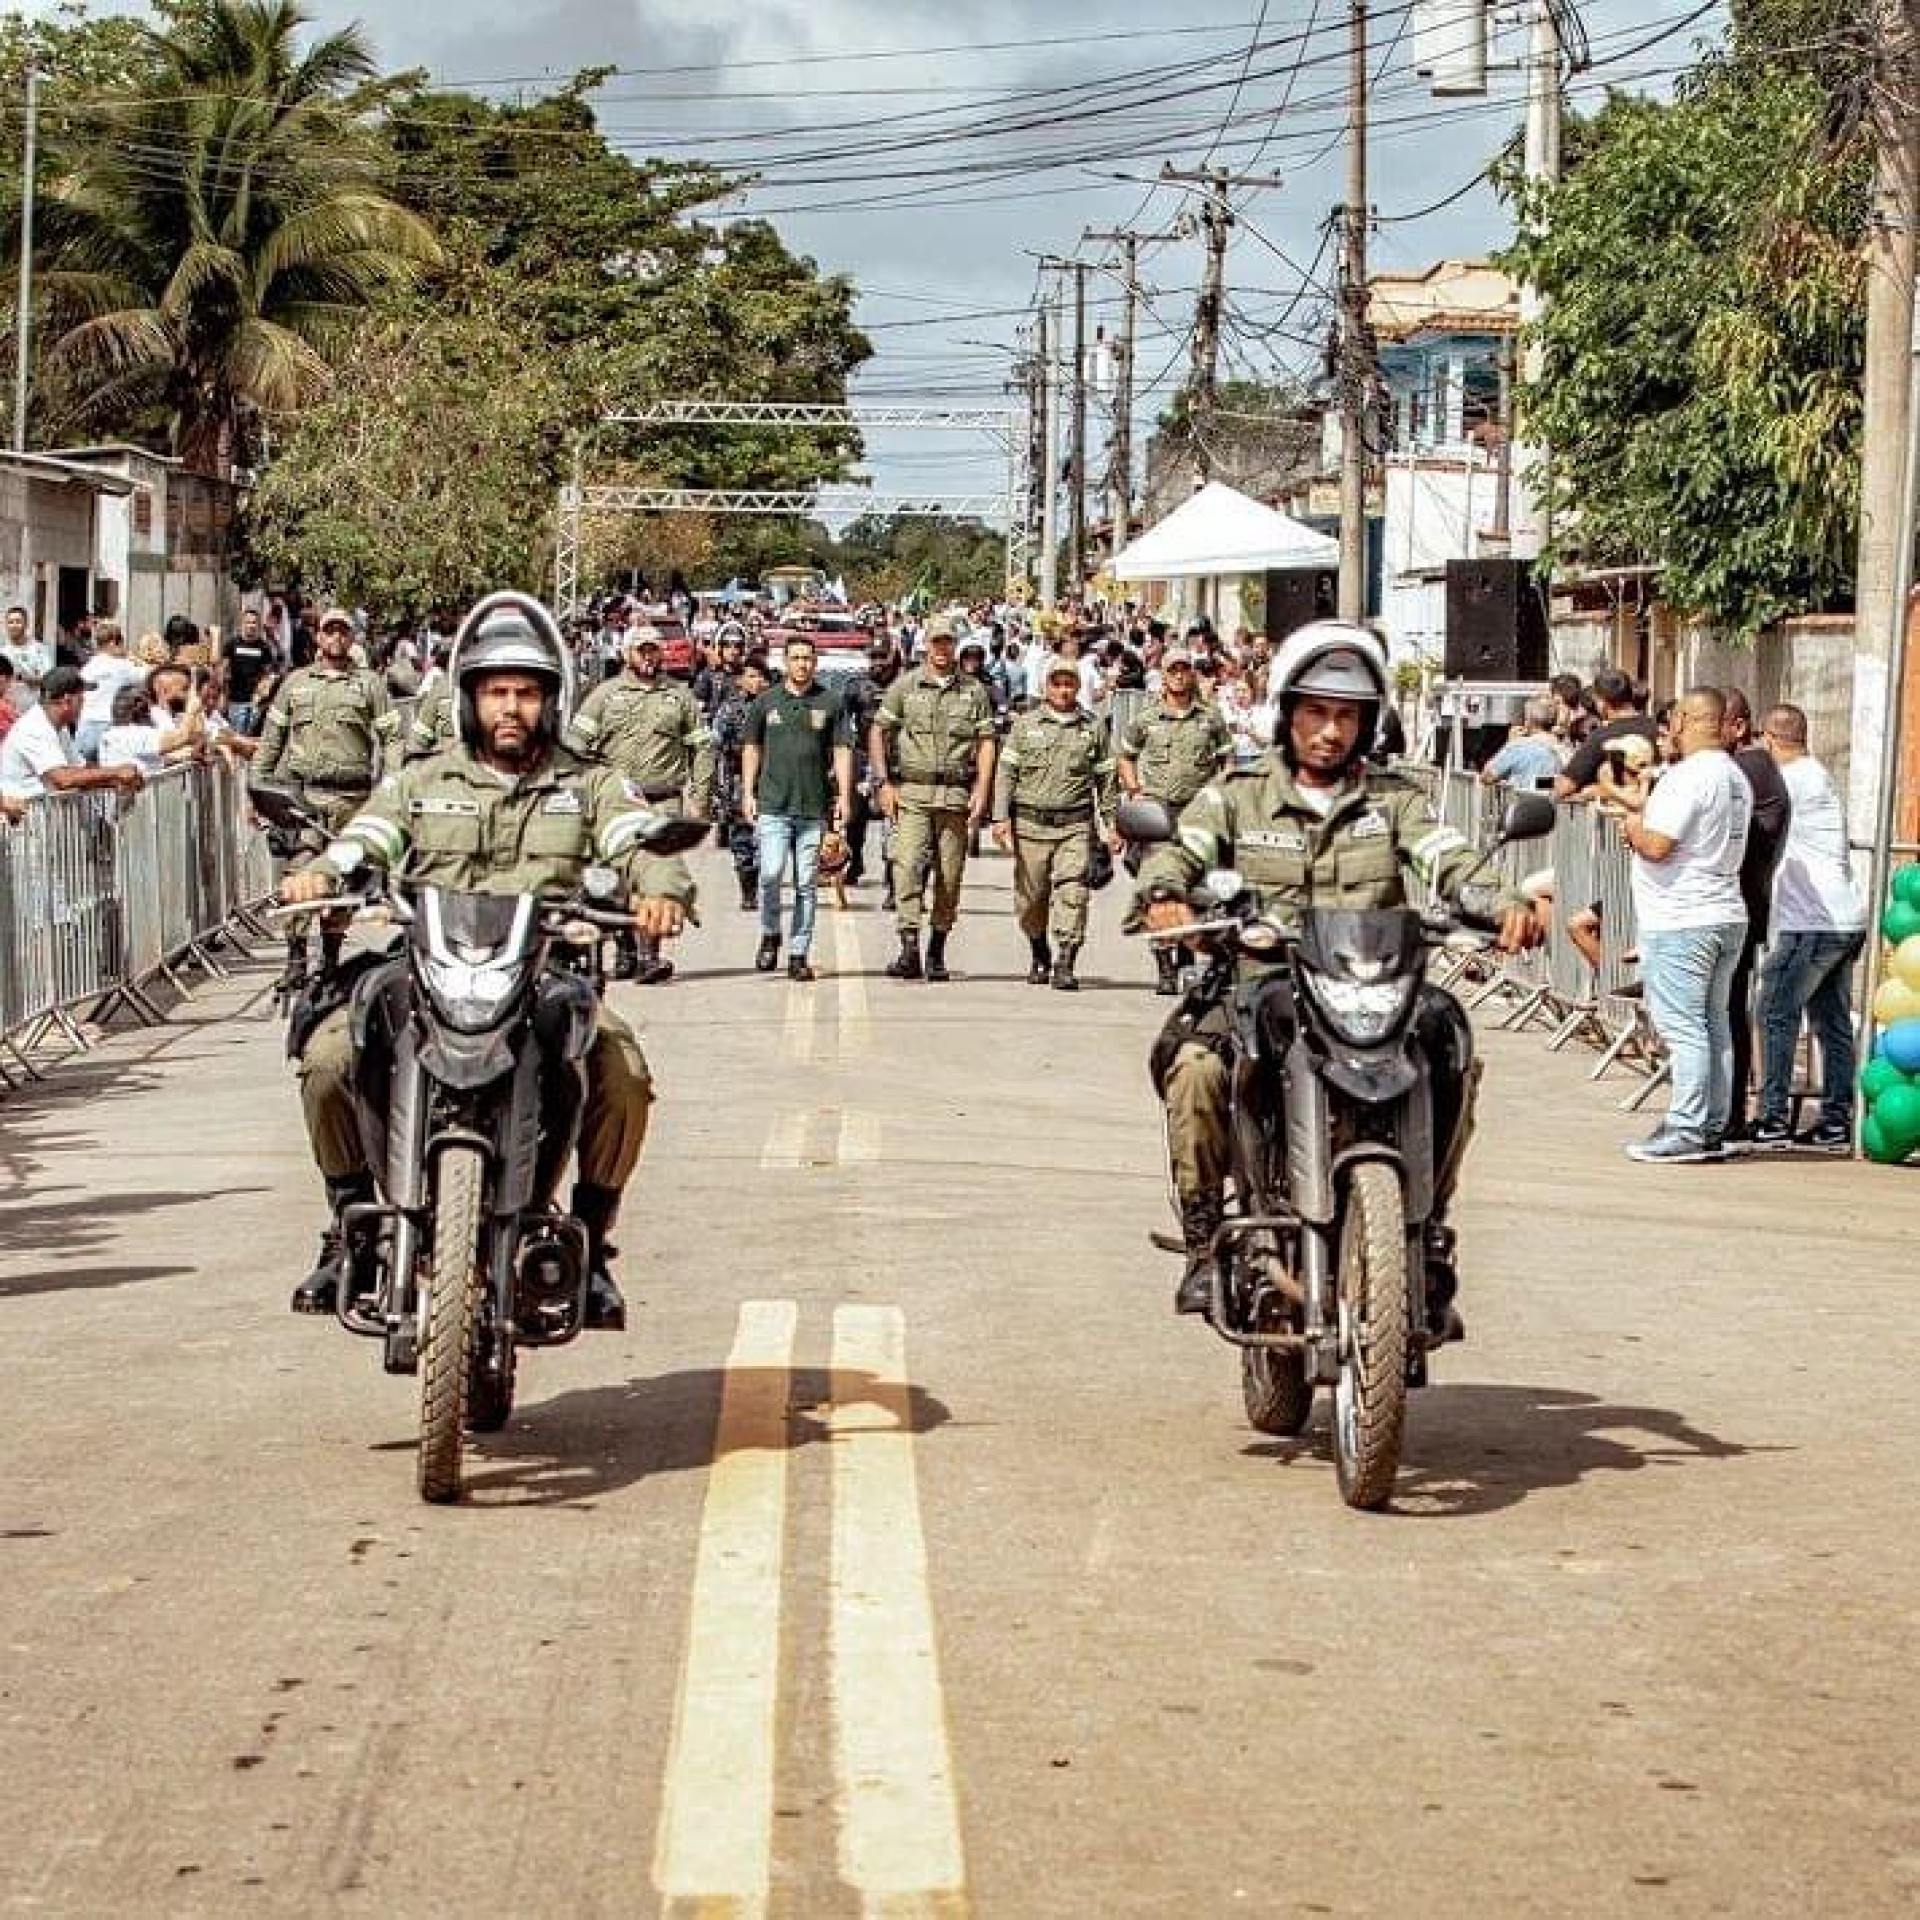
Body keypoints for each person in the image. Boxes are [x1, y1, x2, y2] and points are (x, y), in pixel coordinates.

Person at [278, 593, 693, 1331]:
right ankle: (350, 1227)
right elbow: (367, 834)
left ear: (550, 700)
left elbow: (637, 837)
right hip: (426, 967)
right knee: (329, 1056)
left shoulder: (587, 782)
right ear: (468, 698)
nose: (510, 708)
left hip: (545, 974)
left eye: (526, 693)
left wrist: (660, 893)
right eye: (496, 691)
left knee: (624, 1074)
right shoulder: (422, 779)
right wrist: (323, 872)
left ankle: (592, 1247)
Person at [1137, 621, 1542, 1319]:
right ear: (1287, 713)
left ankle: (1429, 1228)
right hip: (1262, 987)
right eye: (1316, 712)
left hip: (1375, 987)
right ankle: (1205, 1244)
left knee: (1453, 1049)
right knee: (1197, 1069)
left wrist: (1503, 905)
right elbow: (1180, 851)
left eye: (1346, 716)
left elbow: (1450, 859)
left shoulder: (1394, 799)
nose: (1330, 731)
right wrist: (1168, 896)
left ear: (1367, 723)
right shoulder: (1235, 792)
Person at [1617, 687, 1752, 1163]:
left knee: (1685, 1026)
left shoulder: (1689, 776)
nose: (1668, 728)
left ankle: (1689, 1125)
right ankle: (1712, 1122)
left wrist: (1632, 830)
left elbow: (1657, 845)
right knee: (1713, 1023)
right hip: (1722, 911)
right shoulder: (1734, 775)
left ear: (1688, 720)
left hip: (1683, 917)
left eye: (1674, 719)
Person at [253, 606, 399, 984]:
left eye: (342, 632)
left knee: (342, 881)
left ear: (352, 638)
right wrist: (258, 791)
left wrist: (392, 787)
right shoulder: (295, 684)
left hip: (352, 799)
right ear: (318, 637)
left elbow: (393, 740)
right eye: (328, 631)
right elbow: (271, 742)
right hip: (305, 799)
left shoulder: (369, 685)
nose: (335, 638)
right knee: (300, 873)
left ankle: (332, 957)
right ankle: (296, 956)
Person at [565, 623, 714, 984]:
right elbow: (574, 747)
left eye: (653, 650)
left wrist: (700, 797)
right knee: (615, 880)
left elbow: (702, 747)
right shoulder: (603, 696)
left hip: (662, 800)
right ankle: (626, 949)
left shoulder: (679, 697)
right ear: (626, 654)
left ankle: (650, 955)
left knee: (656, 874)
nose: (648, 657)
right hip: (615, 805)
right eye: (641, 650)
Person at [1752, 704, 1865, 1151]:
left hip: (1812, 924)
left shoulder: (1791, 781)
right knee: (1831, 1021)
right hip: (1840, 917)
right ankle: (1837, 1121)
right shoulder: (1816, 775)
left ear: (1769, 738)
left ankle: (1773, 1118)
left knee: (1774, 1010)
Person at [871, 615, 998, 982]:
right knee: (907, 866)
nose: (942, 650)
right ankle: (909, 946)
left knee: (950, 876)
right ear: (926, 644)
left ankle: (937, 948)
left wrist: (982, 790)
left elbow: (986, 742)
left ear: (955, 646)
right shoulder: (906, 686)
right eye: (936, 642)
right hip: (913, 792)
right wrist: (882, 782)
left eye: (948, 643)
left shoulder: (973, 692)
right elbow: (879, 731)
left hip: (955, 795)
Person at [991, 655, 1120, 991]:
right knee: (1030, 900)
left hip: (1075, 826)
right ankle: (1039, 952)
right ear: (1045, 687)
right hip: (1030, 826)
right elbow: (1006, 774)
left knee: (1073, 892)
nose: (1063, 691)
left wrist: (1112, 824)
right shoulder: (1025, 725)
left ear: (1078, 687)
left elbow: (1106, 781)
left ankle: (1066, 958)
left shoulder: (1092, 728)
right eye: (1056, 683)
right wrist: (1000, 817)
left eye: (1069, 684)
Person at [1117, 644, 1231, 993]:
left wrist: (1221, 794)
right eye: (1173, 670)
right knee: (1160, 888)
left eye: (1184, 669)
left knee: (1199, 889)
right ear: (1163, 677)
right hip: (1158, 817)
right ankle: (1165, 965)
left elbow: (1228, 761)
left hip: (1199, 816)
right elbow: (1125, 755)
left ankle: (1187, 956)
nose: (1179, 675)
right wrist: (1136, 790)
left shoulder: (1209, 718)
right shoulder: (1147, 718)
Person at [741, 637, 855, 982]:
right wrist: (748, 792)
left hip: (813, 807)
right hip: (774, 804)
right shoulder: (766, 702)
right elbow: (751, 747)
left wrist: (845, 797)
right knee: (771, 873)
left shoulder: (831, 702)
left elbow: (842, 750)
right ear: (785, 662)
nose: (802, 664)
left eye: (808, 658)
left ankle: (797, 953)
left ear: (815, 663)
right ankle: (770, 931)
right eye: (796, 658)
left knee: (806, 882)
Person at [1720, 688, 1792, 1138]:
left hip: (1739, 908)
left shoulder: (1749, 768)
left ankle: (1727, 1115)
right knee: (1725, 1010)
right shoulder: (1749, 769)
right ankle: (1726, 1113)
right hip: (1740, 907)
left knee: (1726, 1012)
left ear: (1738, 726)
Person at [0, 665, 144, 802]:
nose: (84, 702)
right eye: (81, 698)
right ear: (66, 701)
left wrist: (117, 780)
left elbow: (80, 769)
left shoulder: (59, 727)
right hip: (21, 820)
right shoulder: (34, 727)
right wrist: (116, 772)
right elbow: (64, 779)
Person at [712, 653, 771, 910]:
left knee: (770, 838)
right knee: (743, 839)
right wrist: (720, 788)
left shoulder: (775, 706)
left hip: (771, 779)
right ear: (740, 680)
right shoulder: (730, 709)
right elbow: (717, 748)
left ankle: (764, 885)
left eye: (761, 677)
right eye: (751, 676)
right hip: (739, 780)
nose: (756, 681)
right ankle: (748, 891)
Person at [1555, 668, 1657, 800]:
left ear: (1602, 702)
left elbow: (1564, 786)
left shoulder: (1601, 737)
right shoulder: (1656, 729)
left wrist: (1594, 790)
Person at [75, 622, 144, 761]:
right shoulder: (122, 666)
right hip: (109, 725)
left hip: (85, 726)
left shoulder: (87, 668)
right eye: (122, 643)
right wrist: (135, 659)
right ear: (113, 643)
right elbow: (147, 676)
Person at [1480, 697, 1563, 790]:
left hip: (1523, 802)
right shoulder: (1564, 749)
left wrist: (1509, 743)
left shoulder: (1518, 747)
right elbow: (1556, 784)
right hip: (1551, 802)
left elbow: (1487, 776)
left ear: (1529, 721)